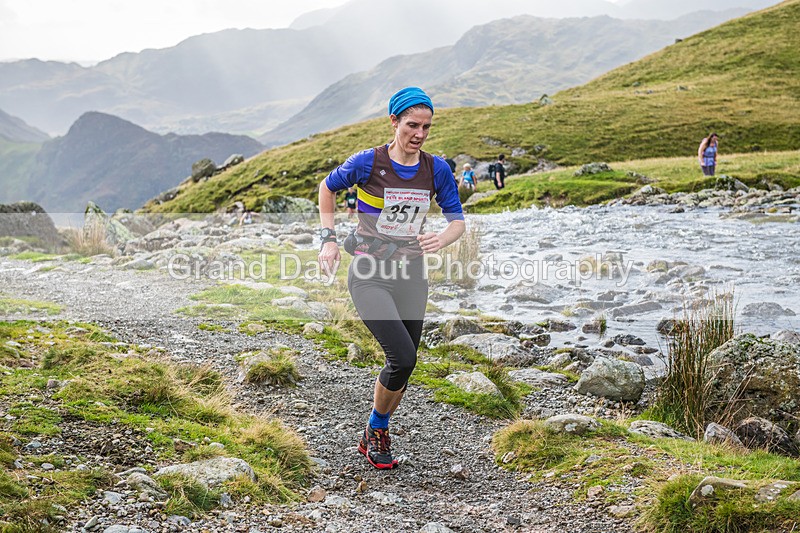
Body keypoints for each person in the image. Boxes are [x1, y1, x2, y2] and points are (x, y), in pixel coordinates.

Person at [318, 87, 465, 469]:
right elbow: (327, 188)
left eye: (427, 127)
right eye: (412, 125)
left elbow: (457, 221)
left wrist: (442, 238)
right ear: (394, 122)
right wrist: (329, 240)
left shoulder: (437, 169)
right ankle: (378, 428)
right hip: (369, 271)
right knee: (400, 354)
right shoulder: (368, 162)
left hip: (412, 274)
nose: (419, 134)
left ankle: (373, 430)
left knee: (407, 362)